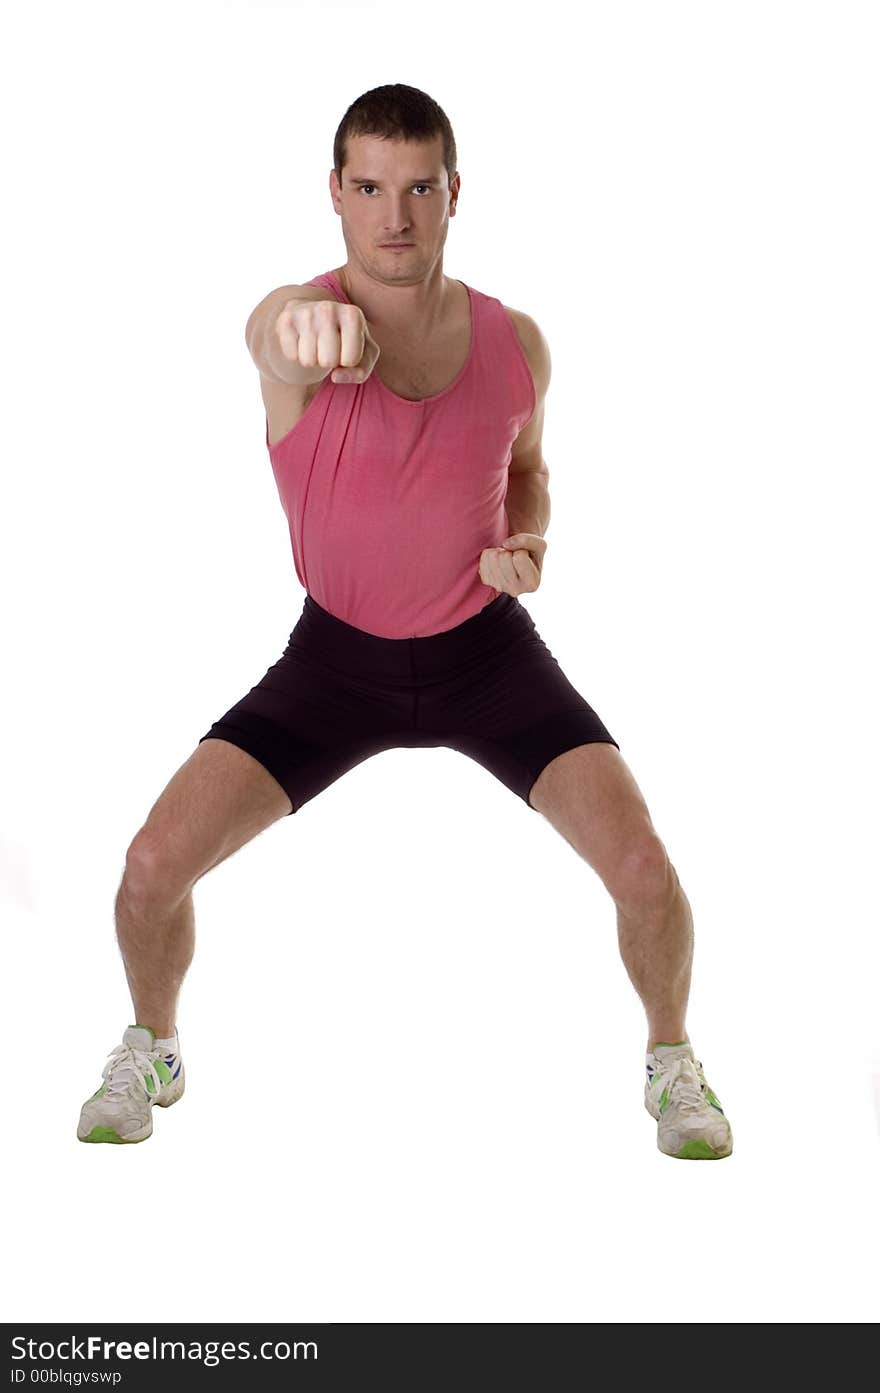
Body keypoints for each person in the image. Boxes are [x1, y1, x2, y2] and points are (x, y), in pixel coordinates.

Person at [77, 84, 732, 1160]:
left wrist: (529, 542)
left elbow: (527, 468)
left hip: (487, 655)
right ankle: (153, 1041)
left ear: (453, 194)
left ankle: (673, 1060)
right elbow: (272, 335)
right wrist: (300, 322)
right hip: (333, 663)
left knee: (646, 871)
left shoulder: (515, 341)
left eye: (419, 188)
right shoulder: (301, 326)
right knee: (152, 864)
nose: (395, 217)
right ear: (334, 193)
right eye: (370, 188)